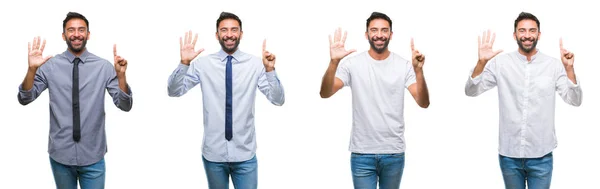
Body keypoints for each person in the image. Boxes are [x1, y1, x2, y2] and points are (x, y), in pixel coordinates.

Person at [167, 12, 284, 189]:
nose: (229, 34)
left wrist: (270, 71)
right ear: (217, 35)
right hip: (213, 155)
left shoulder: (256, 64)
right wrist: (184, 63)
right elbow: (174, 91)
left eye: (234, 30)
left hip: (245, 154)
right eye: (224, 30)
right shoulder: (202, 64)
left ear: (241, 34)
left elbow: (278, 100)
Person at [465, 12, 582, 189]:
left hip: (542, 155)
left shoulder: (553, 65)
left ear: (539, 35)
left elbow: (575, 100)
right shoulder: (500, 64)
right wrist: (481, 63)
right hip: (509, 155)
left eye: (532, 30)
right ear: (515, 35)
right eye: (522, 30)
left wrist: (570, 69)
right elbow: (471, 91)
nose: (527, 35)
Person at [17, 12, 133, 189]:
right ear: (64, 35)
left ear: (88, 34)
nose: (76, 34)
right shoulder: (49, 66)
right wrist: (32, 69)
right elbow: (25, 98)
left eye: (81, 30)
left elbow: (125, 105)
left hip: (93, 156)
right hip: (60, 155)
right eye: (71, 30)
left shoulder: (103, 67)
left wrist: (122, 76)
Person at [319, 12, 430, 189]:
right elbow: (325, 92)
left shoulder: (404, 65)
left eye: (384, 30)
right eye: (374, 30)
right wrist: (333, 62)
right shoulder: (352, 64)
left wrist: (419, 71)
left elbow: (423, 102)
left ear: (391, 35)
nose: (379, 34)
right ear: (367, 34)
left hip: (393, 152)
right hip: (362, 153)